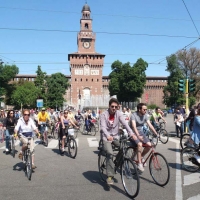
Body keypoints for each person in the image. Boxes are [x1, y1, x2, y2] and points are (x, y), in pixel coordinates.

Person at [100, 98, 137, 185]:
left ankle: (115, 164)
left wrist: (131, 133)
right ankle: (109, 176)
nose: (114, 108)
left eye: (116, 107)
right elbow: (103, 127)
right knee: (109, 153)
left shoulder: (119, 114)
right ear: (109, 106)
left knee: (123, 148)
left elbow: (125, 124)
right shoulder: (103, 115)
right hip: (106, 137)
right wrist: (108, 136)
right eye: (112, 106)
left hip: (115, 136)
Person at [130, 103, 158, 172]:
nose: (146, 111)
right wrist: (138, 136)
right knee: (139, 144)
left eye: (146, 109)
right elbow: (133, 126)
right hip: (133, 133)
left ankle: (141, 156)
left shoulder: (145, 115)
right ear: (139, 109)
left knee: (149, 145)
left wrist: (156, 133)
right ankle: (139, 163)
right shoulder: (133, 115)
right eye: (144, 109)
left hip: (141, 132)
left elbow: (150, 125)